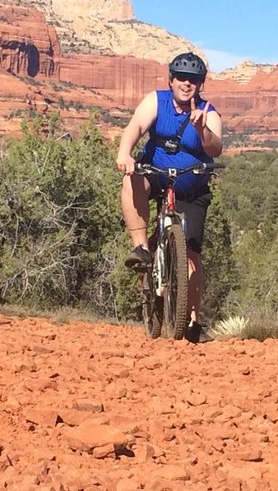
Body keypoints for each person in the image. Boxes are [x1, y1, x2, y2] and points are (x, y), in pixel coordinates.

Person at [116, 51, 223, 343]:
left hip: (192, 182)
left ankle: (192, 322)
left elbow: (215, 148)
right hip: (156, 172)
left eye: (193, 80)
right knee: (131, 179)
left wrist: (202, 131)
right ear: (171, 80)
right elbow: (135, 127)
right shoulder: (156, 101)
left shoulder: (208, 111)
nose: (186, 84)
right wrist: (125, 153)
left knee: (192, 257)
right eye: (181, 78)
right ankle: (140, 248)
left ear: (200, 84)